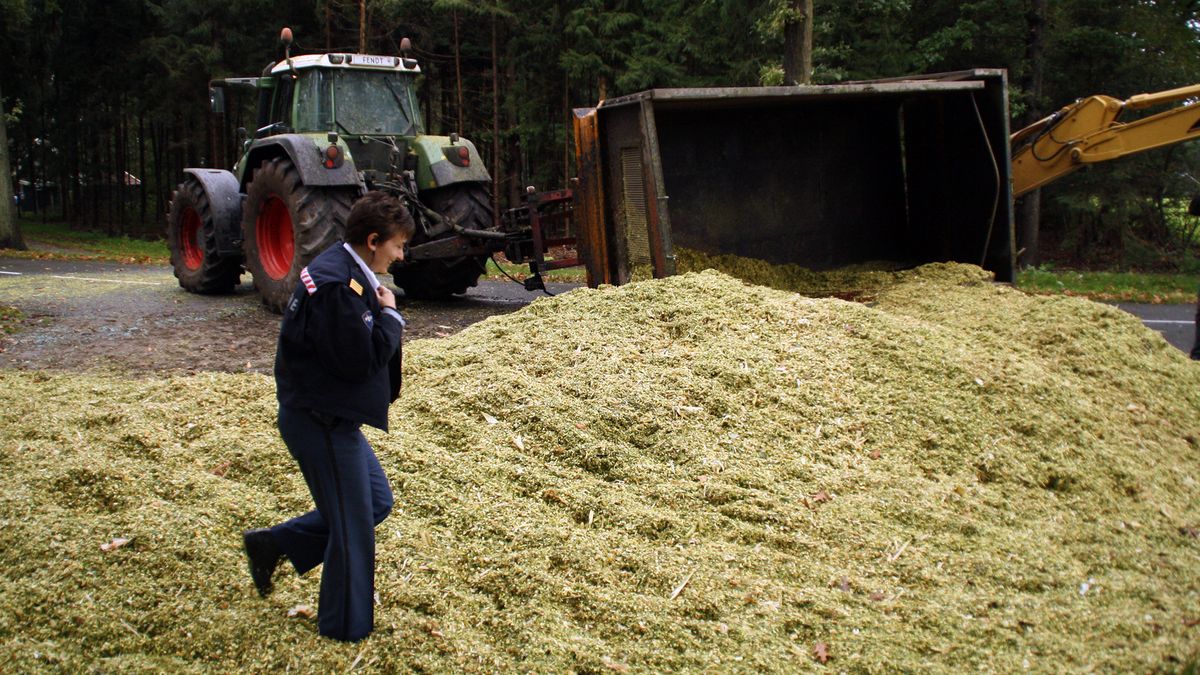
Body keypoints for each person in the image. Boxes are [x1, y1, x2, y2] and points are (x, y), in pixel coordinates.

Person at [242, 190, 414, 642]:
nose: (400, 254)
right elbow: (359, 361)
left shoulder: (347, 272)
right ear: (373, 240)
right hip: (320, 422)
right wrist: (391, 318)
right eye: (397, 244)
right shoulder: (338, 286)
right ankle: (344, 630)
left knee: (375, 502)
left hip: (333, 418)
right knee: (353, 527)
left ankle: (275, 544)